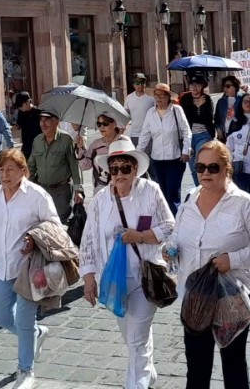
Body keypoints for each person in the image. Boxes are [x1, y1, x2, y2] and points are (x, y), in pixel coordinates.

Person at [172, 141, 250, 389]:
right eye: (200, 167)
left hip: (231, 297)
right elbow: (176, 237)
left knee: (233, 366)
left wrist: (233, 260)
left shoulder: (244, 203)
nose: (205, 173)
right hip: (195, 297)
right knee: (196, 368)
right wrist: (170, 250)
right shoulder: (189, 198)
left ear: (227, 169)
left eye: (213, 168)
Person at [80, 139, 174, 389]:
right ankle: (148, 374)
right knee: (131, 337)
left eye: (125, 168)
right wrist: (89, 278)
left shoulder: (150, 190)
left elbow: (169, 225)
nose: (119, 174)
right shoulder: (100, 200)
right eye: (114, 168)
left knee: (136, 341)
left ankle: (136, 385)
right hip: (114, 279)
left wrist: (141, 236)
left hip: (145, 275)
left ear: (135, 169)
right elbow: (88, 239)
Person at [0, 149, 61, 389]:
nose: (5, 175)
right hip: (3, 268)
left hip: (29, 269)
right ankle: (36, 333)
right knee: (1, 318)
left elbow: (55, 227)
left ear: (23, 170)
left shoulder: (37, 196)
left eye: (10, 169)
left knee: (23, 319)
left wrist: (34, 237)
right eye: (1, 170)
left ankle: (26, 371)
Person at [138, 83, 192, 215]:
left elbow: (186, 132)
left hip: (175, 158)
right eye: (156, 96)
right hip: (158, 159)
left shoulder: (176, 111)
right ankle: (166, 219)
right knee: (162, 191)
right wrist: (138, 153)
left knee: (172, 190)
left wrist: (186, 150)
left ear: (168, 97)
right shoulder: (150, 113)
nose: (158, 99)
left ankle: (175, 219)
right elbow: (145, 134)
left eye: (162, 96)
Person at [27, 110, 83, 224]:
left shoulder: (66, 139)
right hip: (42, 189)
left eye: (47, 120)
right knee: (43, 222)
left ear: (57, 121)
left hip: (61, 191)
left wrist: (79, 190)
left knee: (60, 223)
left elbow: (74, 166)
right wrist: (25, 186)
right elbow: (31, 166)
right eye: (41, 120)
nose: (43, 124)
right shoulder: (37, 140)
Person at [78, 111, 128, 195]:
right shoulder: (95, 145)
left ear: (114, 124)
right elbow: (85, 166)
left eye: (105, 123)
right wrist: (80, 148)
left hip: (121, 190)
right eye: (99, 124)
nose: (102, 127)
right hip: (100, 191)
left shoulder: (124, 141)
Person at [179, 74, 216, 185]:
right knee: (193, 166)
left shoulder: (207, 99)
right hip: (189, 135)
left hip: (203, 134)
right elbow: (186, 118)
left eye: (197, 85)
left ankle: (205, 186)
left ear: (202, 86)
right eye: (192, 85)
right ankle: (198, 188)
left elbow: (207, 119)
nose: (194, 88)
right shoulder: (185, 99)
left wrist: (199, 108)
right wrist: (197, 107)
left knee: (200, 160)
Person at [125, 74, 156, 148]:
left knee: (148, 157)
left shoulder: (151, 98)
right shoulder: (129, 98)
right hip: (135, 134)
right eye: (137, 83)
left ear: (145, 84)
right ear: (134, 85)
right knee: (137, 157)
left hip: (150, 134)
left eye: (142, 82)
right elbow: (125, 115)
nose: (140, 85)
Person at [214, 76, 244, 141]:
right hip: (224, 135)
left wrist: (235, 118)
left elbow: (245, 117)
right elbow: (217, 118)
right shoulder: (221, 101)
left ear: (235, 87)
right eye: (224, 86)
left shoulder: (242, 100)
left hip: (238, 135)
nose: (225, 89)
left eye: (228, 86)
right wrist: (219, 129)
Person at [14, 92, 42, 160]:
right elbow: (19, 126)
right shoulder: (21, 113)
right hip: (26, 146)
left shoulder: (38, 113)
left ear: (28, 102)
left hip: (39, 146)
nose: (20, 108)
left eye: (21, 105)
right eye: (18, 106)